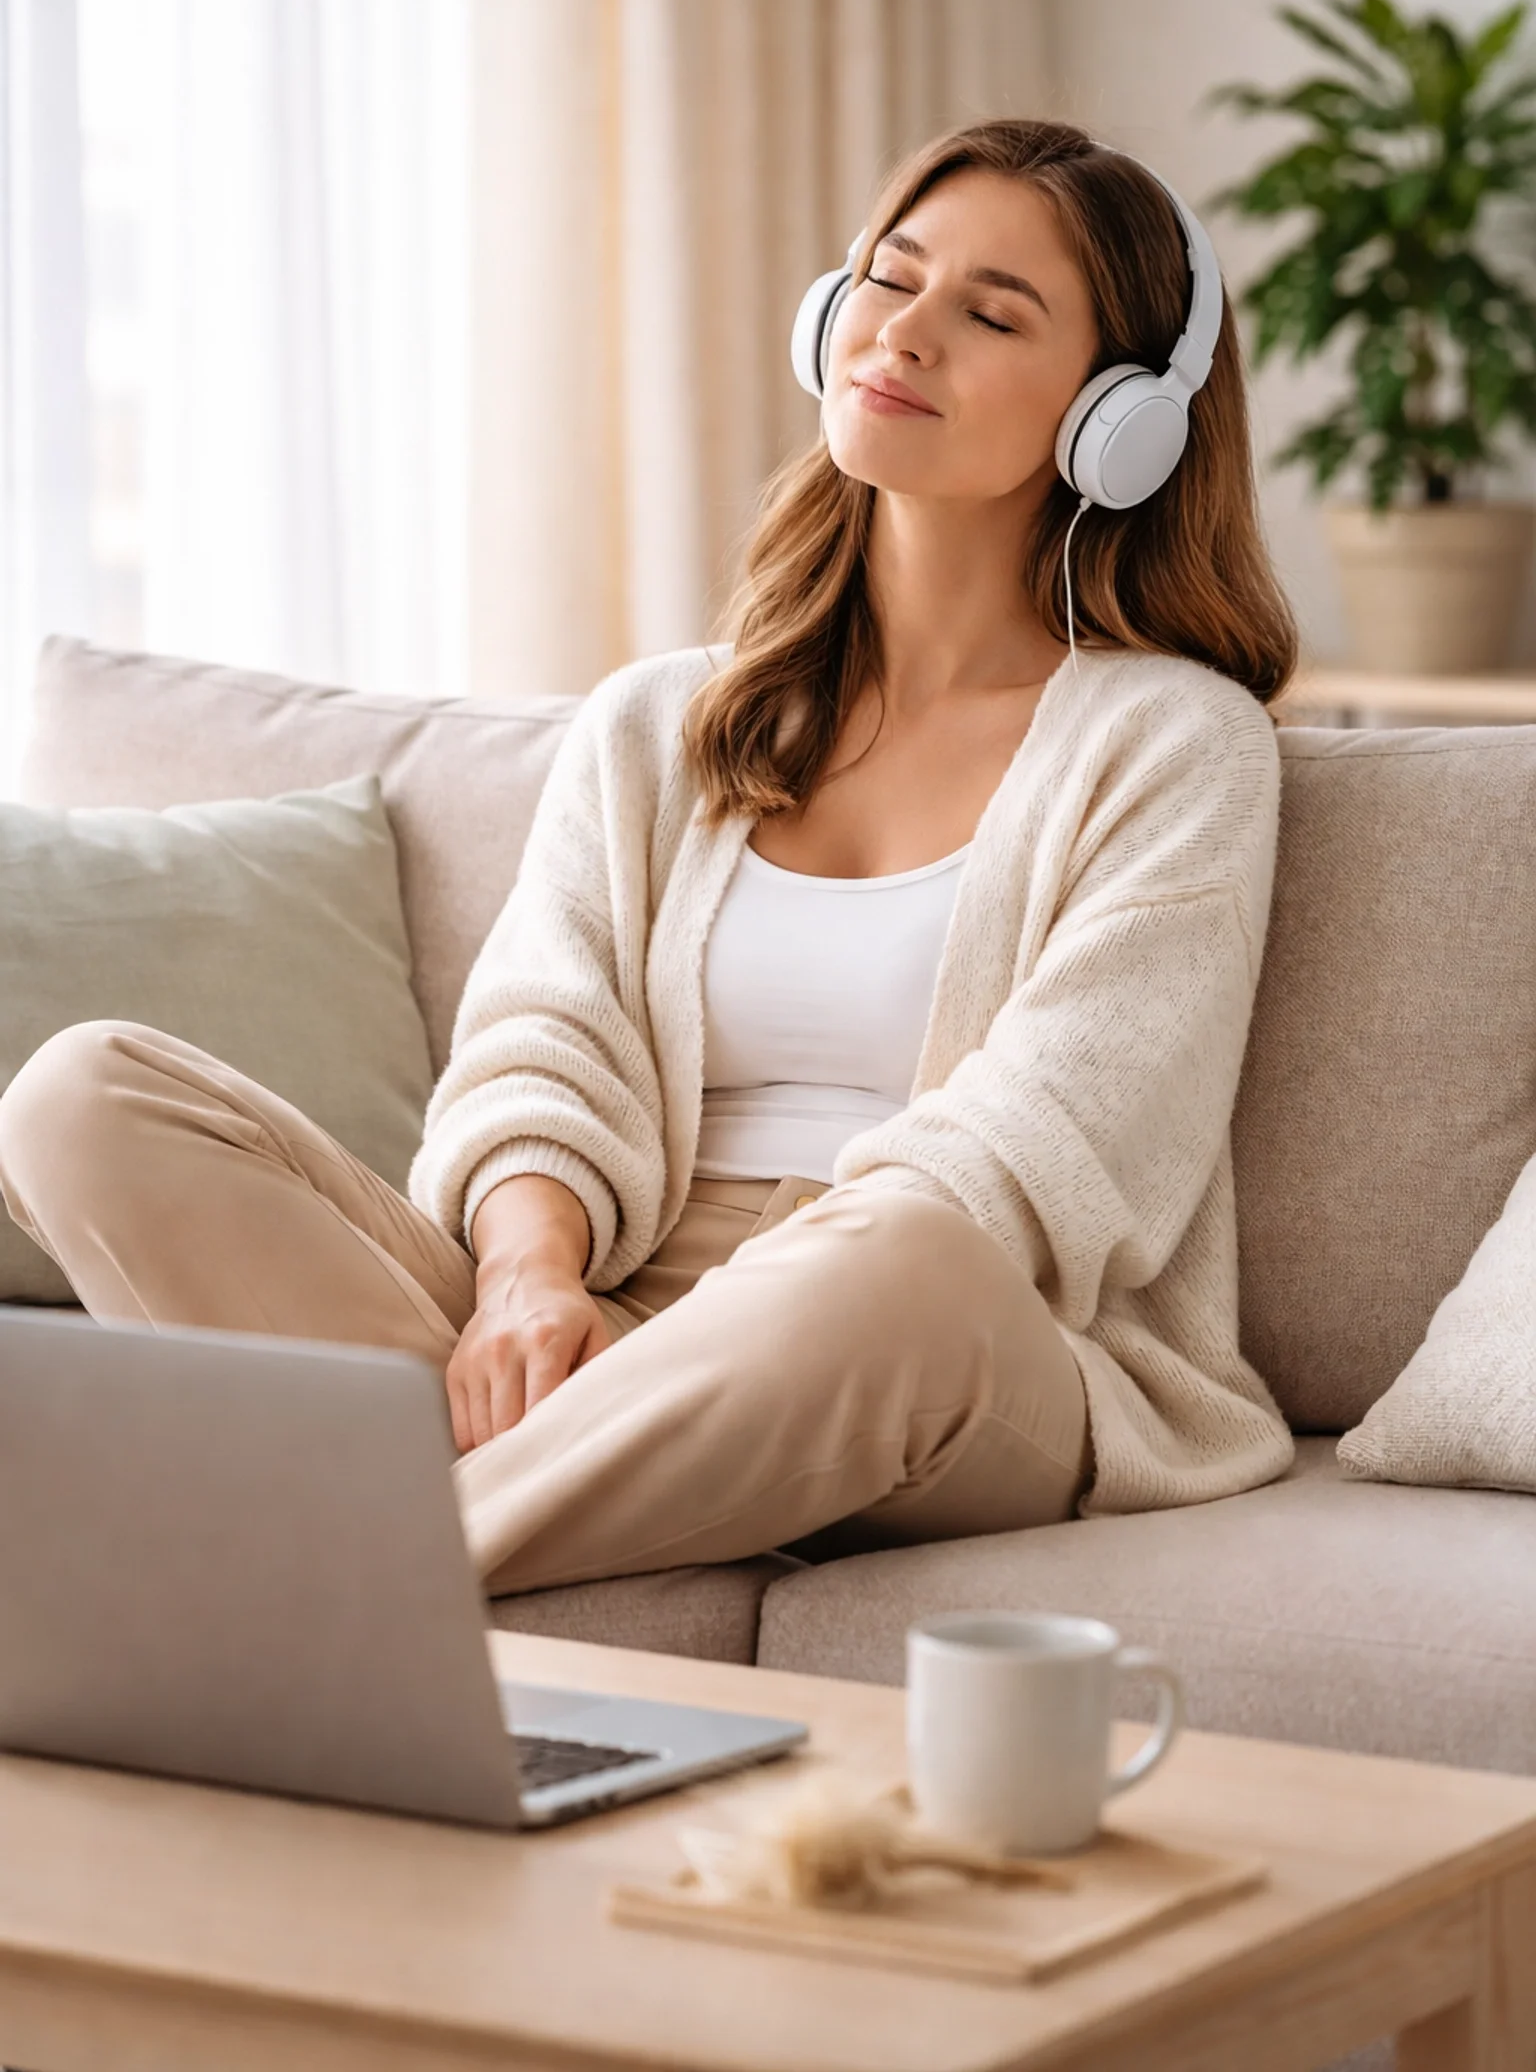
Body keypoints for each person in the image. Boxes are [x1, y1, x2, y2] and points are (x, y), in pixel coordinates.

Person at [0, 118, 1299, 1597]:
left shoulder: (1175, 745)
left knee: (907, 1264)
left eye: (993, 313)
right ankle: (590, 1481)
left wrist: (693, 1345)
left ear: (1116, 421)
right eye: (891, 276)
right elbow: (539, 1043)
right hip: (607, 1305)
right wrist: (530, 1283)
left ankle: (338, 1579)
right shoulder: (661, 722)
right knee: (79, 1093)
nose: (906, 332)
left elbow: (1052, 1146)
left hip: (945, 1336)